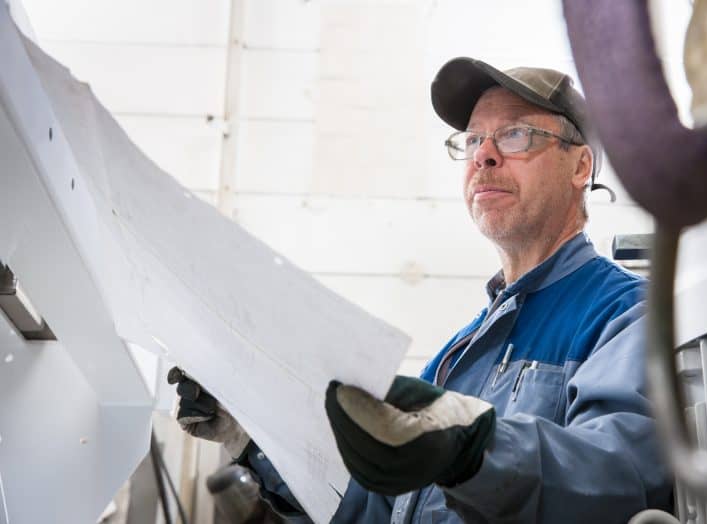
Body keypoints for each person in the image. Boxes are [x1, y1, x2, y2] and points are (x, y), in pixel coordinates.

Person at [171, 57, 674, 523]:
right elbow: (367, 510)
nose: (485, 157)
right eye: (473, 140)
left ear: (581, 167)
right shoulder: (460, 354)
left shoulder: (626, 316)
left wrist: (474, 448)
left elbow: (621, 477)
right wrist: (252, 436)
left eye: (515, 135)